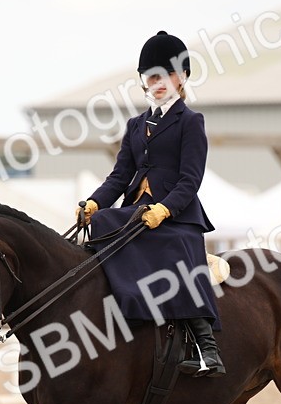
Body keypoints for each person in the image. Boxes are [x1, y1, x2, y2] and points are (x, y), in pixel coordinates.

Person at [77, 30, 224, 377]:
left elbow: (191, 179)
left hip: (177, 215)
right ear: (144, 81)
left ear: (182, 77)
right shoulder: (135, 125)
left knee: (174, 246)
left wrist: (165, 209)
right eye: (152, 76)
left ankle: (206, 346)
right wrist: (95, 203)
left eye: (167, 75)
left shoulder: (190, 122)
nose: (159, 82)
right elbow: (119, 176)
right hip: (138, 209)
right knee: (101, 225)